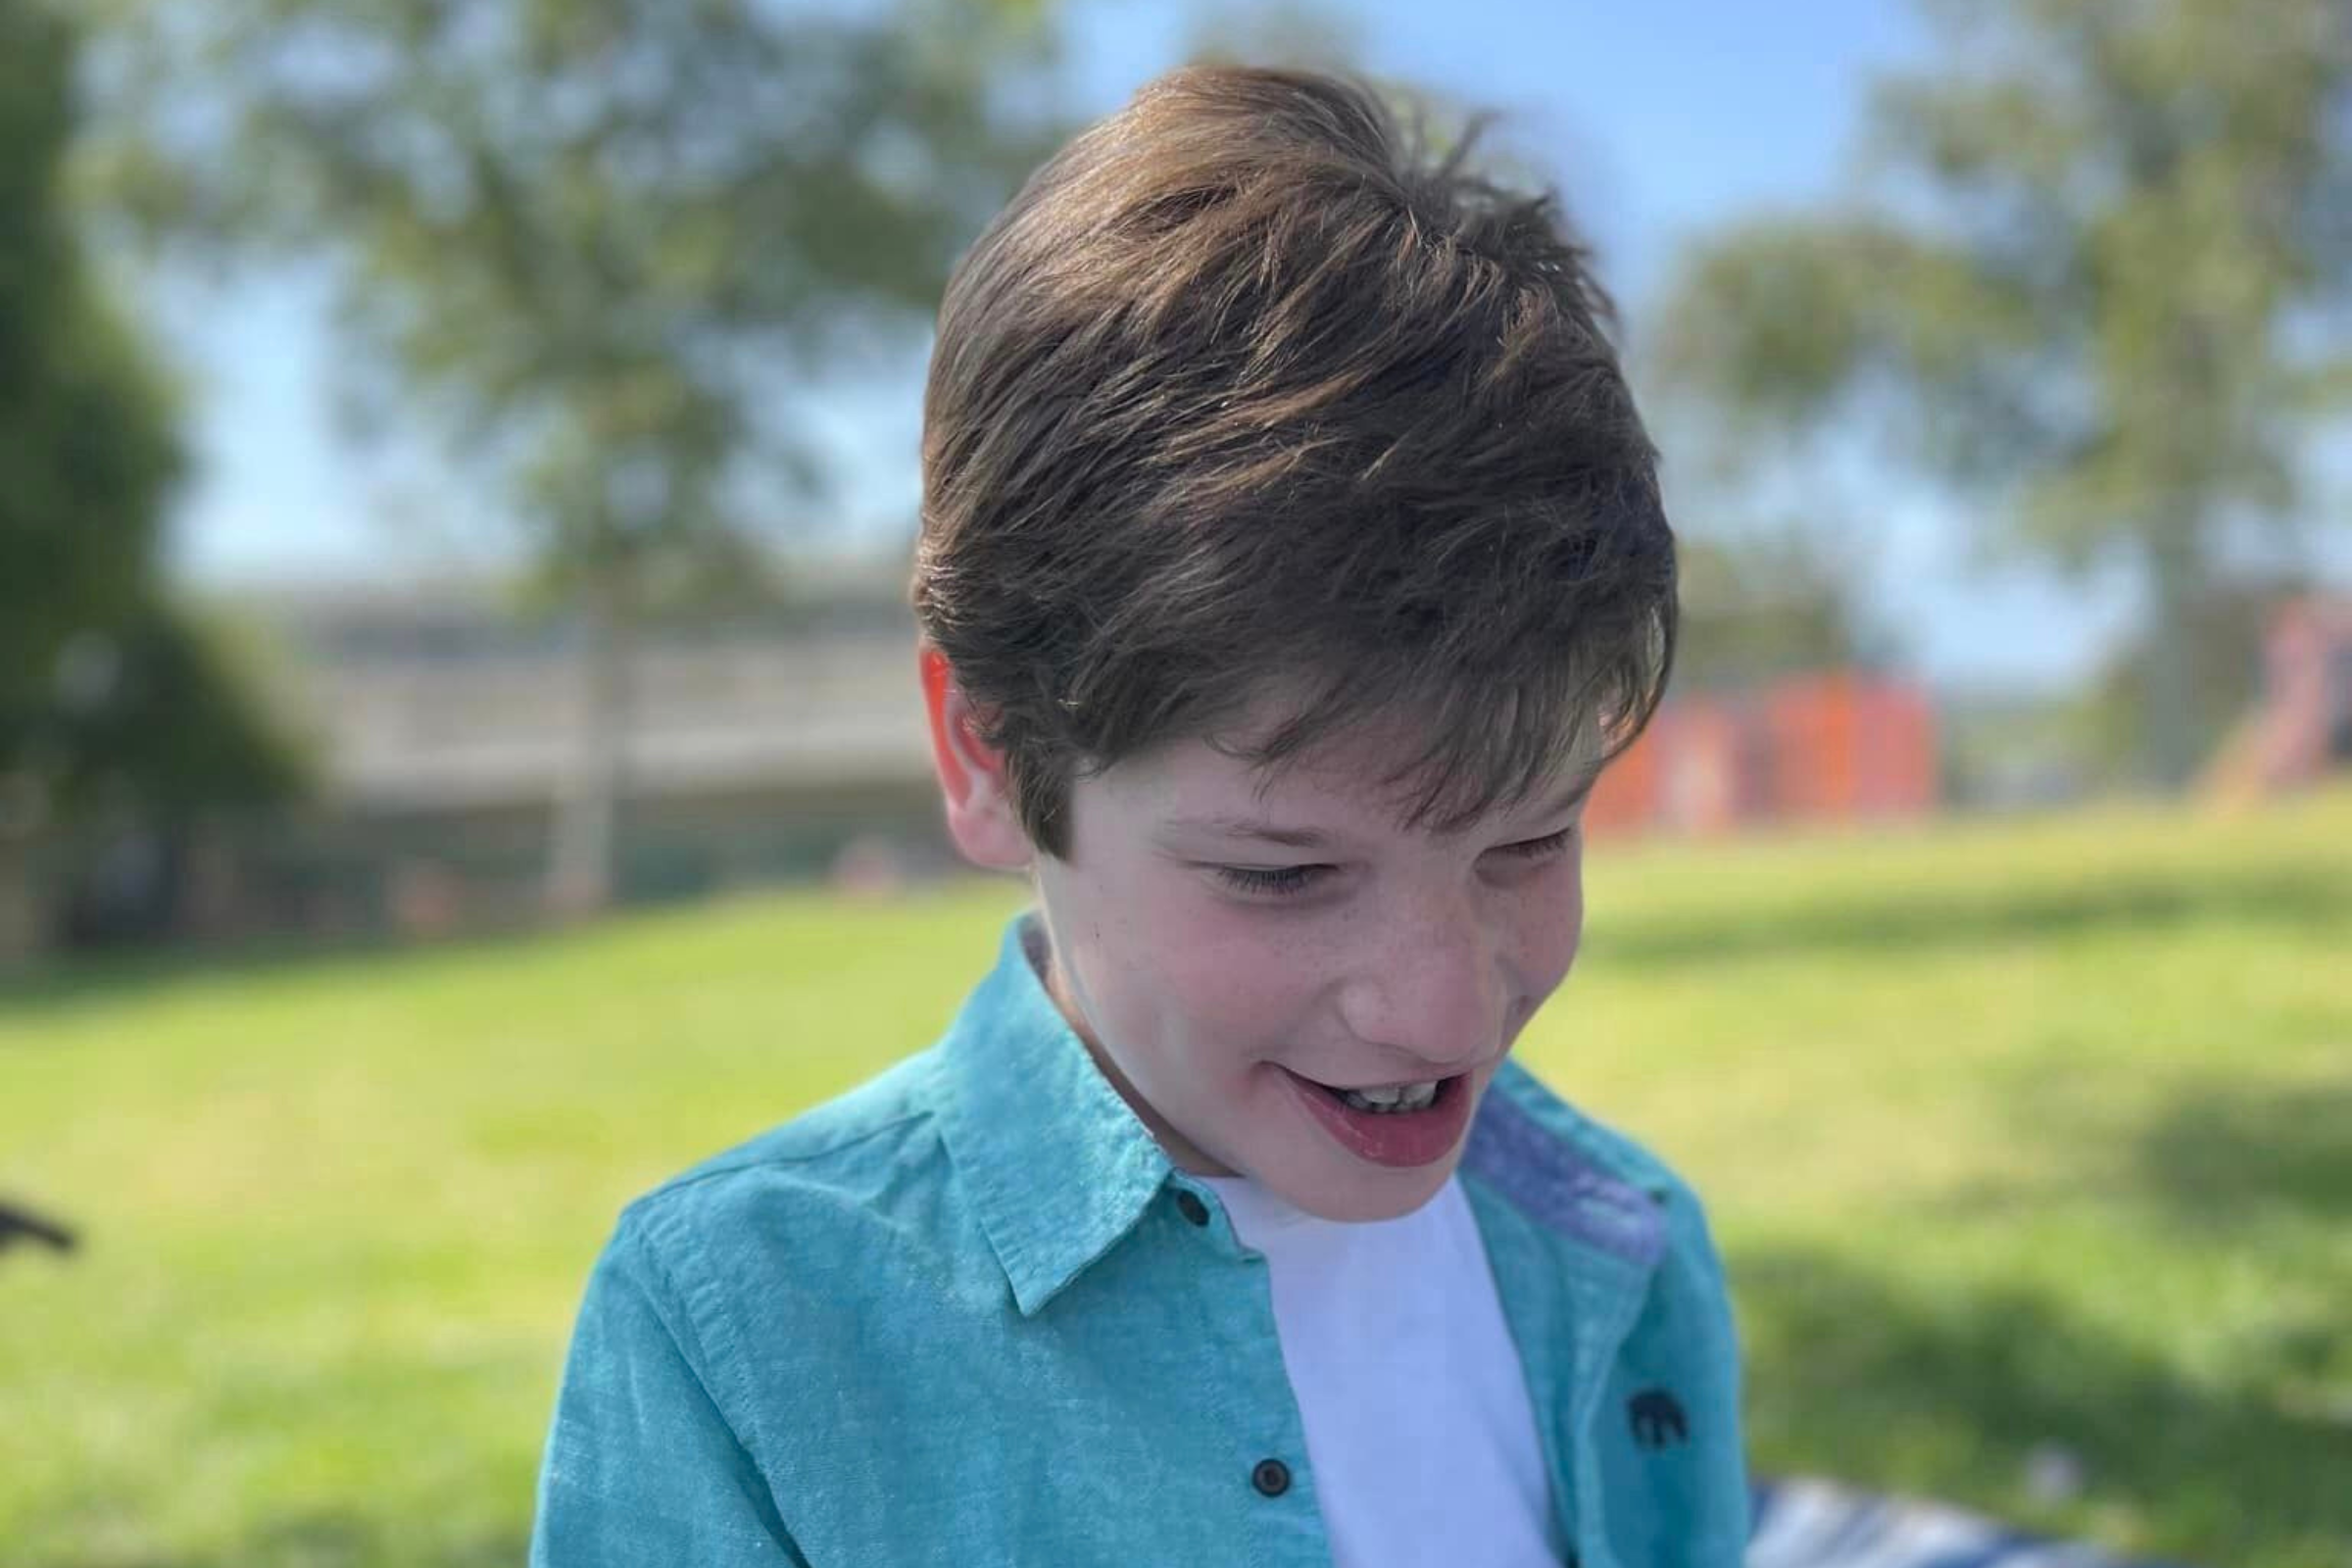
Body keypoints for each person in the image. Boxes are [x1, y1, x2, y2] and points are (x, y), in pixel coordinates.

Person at [530, 63, 1747, 1568]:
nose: (1445, 1011)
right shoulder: (747, 1336)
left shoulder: (1622, 1251)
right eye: (1284, 873)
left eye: (1529, 842)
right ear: (987, 757)